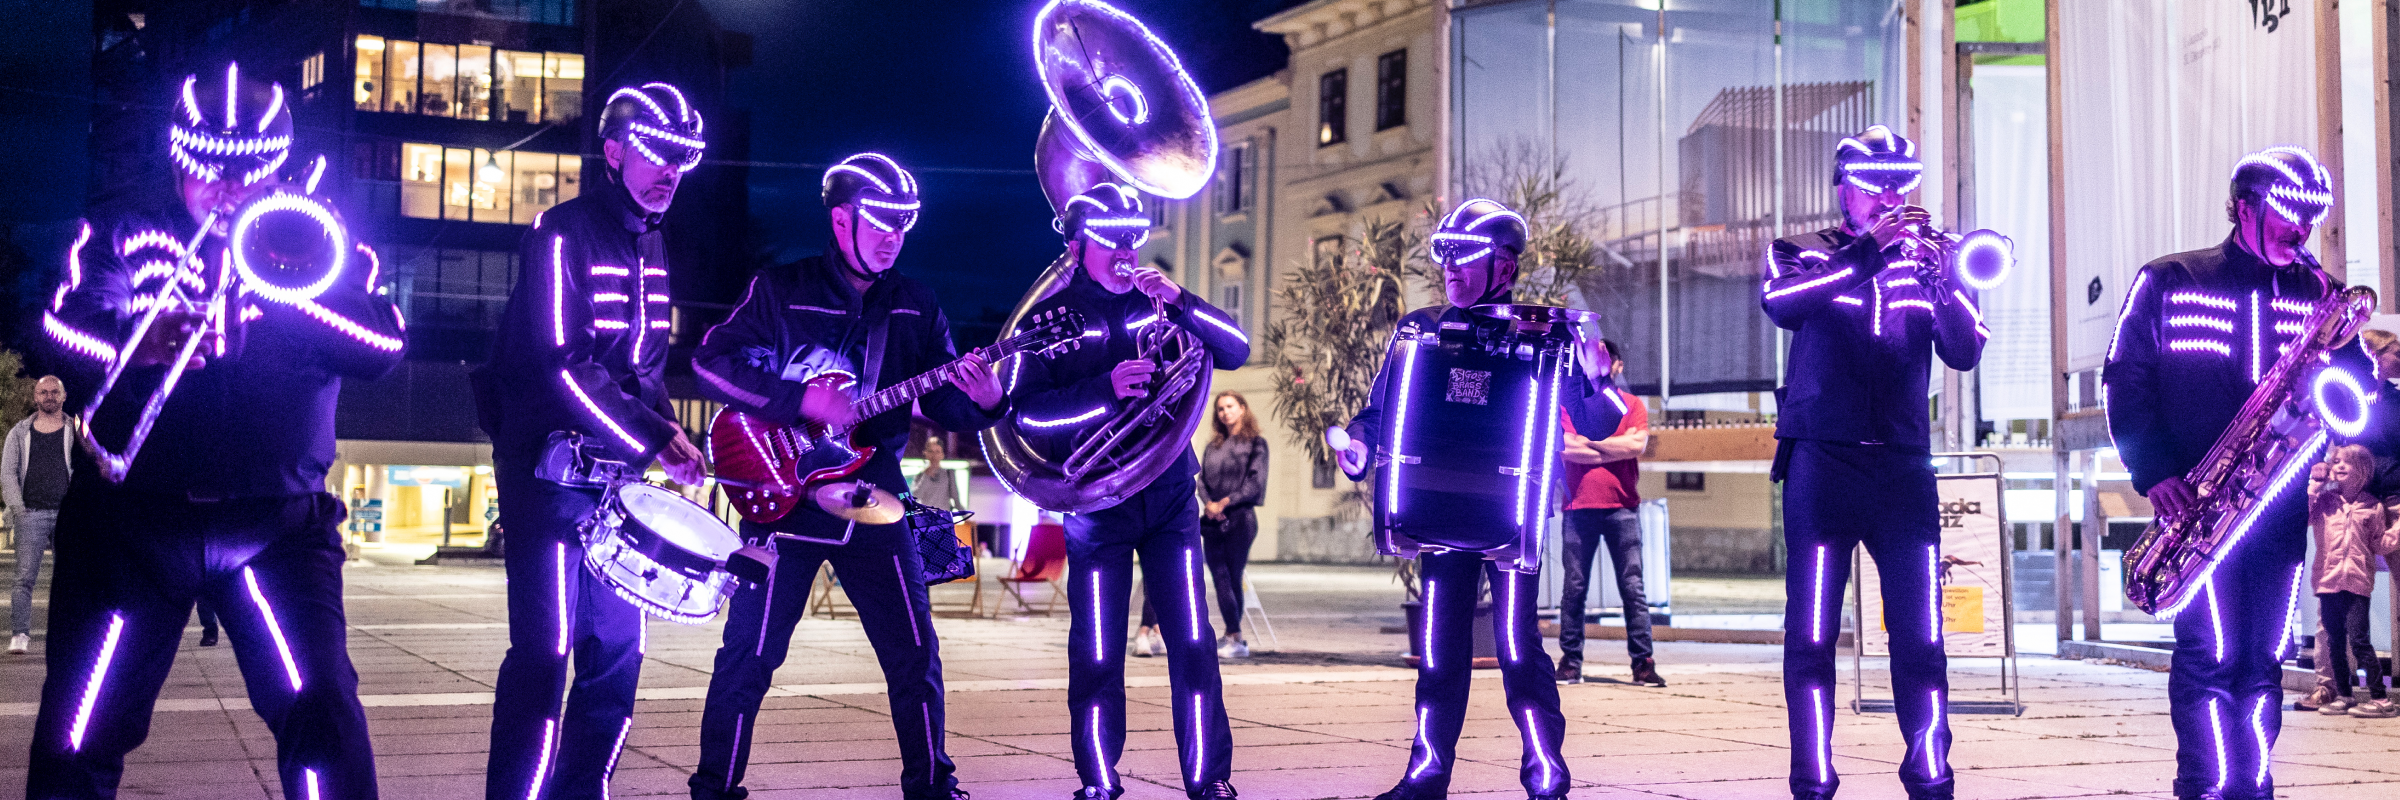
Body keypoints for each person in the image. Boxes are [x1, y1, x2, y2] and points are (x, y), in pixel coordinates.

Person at [29, 63, 403, 799]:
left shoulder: (323, 239)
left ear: (279, 166)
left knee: (322, 711)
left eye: (248, 173)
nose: (226, 190)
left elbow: (382, 351)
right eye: (207, 171)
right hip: (130, 527)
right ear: (176, 158)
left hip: (278, 526)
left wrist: (286, 282)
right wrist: (142, 336)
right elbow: (53, 331)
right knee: (79, 732)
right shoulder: (120, 227)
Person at [685, 152, 1005, 800]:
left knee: (915, 652)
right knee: (748, 656)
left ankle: (932, 786)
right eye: (880, 222)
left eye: (902, 225)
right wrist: (798, 401)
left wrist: (990, 400)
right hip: (784, 498)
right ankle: (714, 787)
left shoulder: (916, 303)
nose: (892, 237)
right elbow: (711, 363)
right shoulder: (781, 288)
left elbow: (944, 402)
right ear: (840, 220)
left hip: (877, 494)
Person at [472, 82, 709, 800]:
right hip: (545, 479)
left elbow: (643, 369)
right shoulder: (558, 232)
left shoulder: (656, 241)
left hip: (620, 483)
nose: (671, 170)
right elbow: (555, 362)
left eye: (683, 158)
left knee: (617, 654)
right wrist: (654, 434)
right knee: (545, 653)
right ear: (614, 151)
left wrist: (671, 435)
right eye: (657, 154)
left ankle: (582, 791)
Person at [2103, 145, 2347, 800]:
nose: (2301, 230)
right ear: (2244, 207)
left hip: (2280, 508)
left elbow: (2349, 397)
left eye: (2312, 216)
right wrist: (2154, 472)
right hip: (2198, 509)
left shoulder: (2316, 292)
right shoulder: (2170, 278)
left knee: (2263, 663)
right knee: (2209, 661)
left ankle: (2252, 787)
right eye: (2288, 213)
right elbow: (2127, 382)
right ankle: (2203, 787)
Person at [1763, 124, 1986, 800]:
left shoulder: (1929, 260)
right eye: (1875, 185)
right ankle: (1813, 778)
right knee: (1811, 636)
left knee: (1920, 636)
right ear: (1843, 193)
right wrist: (1869, 251)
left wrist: (1944, 281)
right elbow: (1783, 306)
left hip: (1902, 469)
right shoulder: (1799, 253)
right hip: (1821, 464)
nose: (1891, 196)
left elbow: (1965, 350)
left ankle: (1930, 772)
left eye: (1901, 184)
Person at [1007, 183, 1248, 800]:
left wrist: (1183, 301)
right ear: (1079, 240)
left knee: (1193, 641)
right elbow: (1026, 418)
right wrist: (1106, 391)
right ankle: (1098, 779)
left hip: (1169, 493)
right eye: (1112, 237)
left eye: (1133, 236)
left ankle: (1209, 777)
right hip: (1096, 502)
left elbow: (1237, 349)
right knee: (1097, 650)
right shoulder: (1049, 318)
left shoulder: (1158, 301)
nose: (1125, 249)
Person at [1332, 197, 1572, 800]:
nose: (1452, 268)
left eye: (1467, 256)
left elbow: (1594, 419)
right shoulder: (1421, 328)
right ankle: (1426, 774)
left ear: (1506, 267)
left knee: (1517, 644)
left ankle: (1546, 769)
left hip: (1510, 514)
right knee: (1440, 648)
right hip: (1439, 509)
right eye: (1447, 256)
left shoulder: (1542, 331)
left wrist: (1591, 367)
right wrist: (1358, 443)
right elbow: (1380, 409)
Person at [1555, 338, 1663, 687]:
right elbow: (1566, 448)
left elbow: (1637, 444)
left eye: (1604, 357)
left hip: (1623, 508)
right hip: (1578, 506)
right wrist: (1612, 449)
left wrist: (1593, 445)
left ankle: (1643, 663)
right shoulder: (1571, 405)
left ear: (1617, 366)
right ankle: (1570, 662)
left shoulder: (1632, 405)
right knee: (1574, 588)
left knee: (1633, 588)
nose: (1596, 363)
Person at [1133, 391, 1268, 660]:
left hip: (1240, 519)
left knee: (1232, 575)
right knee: (1219, 578)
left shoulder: (1256, 443)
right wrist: (1209, 504)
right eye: (1220, 408)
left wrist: (1225, 502)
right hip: (1212, 521)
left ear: (1242, 408)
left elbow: (1255, 482)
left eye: (1230, 406)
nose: (1225, 412)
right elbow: (1201, 480)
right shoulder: (1213, 446)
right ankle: (1232, 634)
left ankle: (1235, 637)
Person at [2304, 444, 2400, 718]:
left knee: (2360, 640)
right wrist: (2314, 486)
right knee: (2335, 641)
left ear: (2364, 470)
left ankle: (2380, 699)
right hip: (2327, 581)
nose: (2340, 465)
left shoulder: (2373, 506)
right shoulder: (2325, 502)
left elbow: (2379, 544)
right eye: (2336, 461)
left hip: (2357, 583)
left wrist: (2398, 531)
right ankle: (2345, 694)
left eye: (2348, 462)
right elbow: (2306, 515)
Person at [6, 376, 73, 655]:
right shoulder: (19, 432)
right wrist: (18, 508)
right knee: (24, 578)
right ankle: (20, 634)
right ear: (35, 397)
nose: (48, 396)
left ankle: (68, 635)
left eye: (54, 392)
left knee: (70, 578)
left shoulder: (77, 429)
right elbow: (8, 472)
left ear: (63, 395)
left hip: (68, 515)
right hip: (31, 513)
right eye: (43, 392)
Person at [913, 436, 963, 513]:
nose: (934, 455)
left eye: (937, 451)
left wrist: (966, 517)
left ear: (942, 454)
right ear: (926, 453)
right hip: (927, 519)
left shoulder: (948, 474)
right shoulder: (920, 475)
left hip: (943, 519)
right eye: (931, 451)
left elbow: (955, 499)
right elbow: (916, 496)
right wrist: (926, 474)